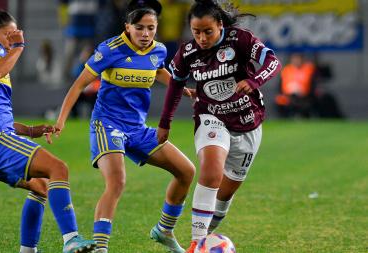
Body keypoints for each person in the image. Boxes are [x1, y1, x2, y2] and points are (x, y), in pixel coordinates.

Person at [55, 1, 196, 252]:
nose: (145, 34)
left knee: (186, 171)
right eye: (139, 28)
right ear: (127, 27)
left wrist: (181, 89)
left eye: (151, 28)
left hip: (137, 129)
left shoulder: (159, 50)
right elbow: (78, 85)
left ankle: (164, 229)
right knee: (117, 181)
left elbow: (158, 70)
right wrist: (61, 120)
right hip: (107, 124)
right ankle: (100, 248)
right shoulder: (110, 49)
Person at [0, 6, 96, 253]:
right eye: (9, 35)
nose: (13, 39)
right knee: (58, 168)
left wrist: (31, 130)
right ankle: (71, 240)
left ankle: (28, 251)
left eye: (16, 35)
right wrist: (19, 47)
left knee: (41, 186)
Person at [156, 1, 282, 252]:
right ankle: (196, 244)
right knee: (211, 172)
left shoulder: (241, 40)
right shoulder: (187, 52)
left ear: (220, 25)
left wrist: (254, 80)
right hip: (210, 116)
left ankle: (207, 236)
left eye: (207, 32)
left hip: (247, 122)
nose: (201, 38)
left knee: (224, 195)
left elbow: (273, 62)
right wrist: (165, 122)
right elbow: (175, 86)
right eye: (196, 32)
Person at [276, 53, 316, 118]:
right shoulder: (286, 70)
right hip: (288, 95)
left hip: (304, 96)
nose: (296, 61)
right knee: (280, 100)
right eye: (294, 59)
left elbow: (312, 85)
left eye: (298, 59)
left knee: (303, 102)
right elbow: (280, 85)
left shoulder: (308, 69)